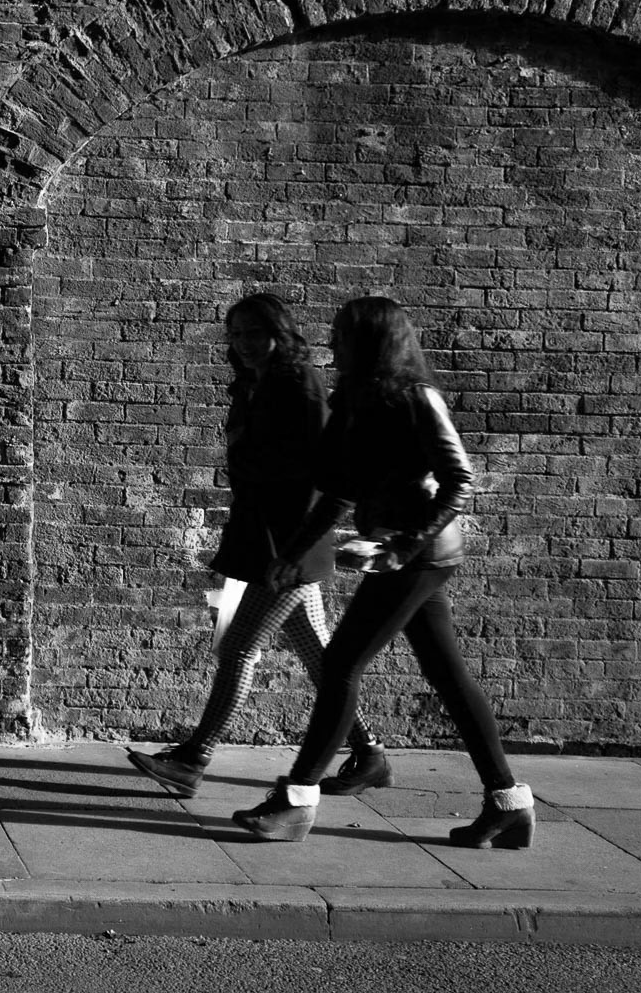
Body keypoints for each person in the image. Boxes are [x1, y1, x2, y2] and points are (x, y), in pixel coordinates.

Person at [232, 296, 534, 847]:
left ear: (374, 341)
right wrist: (292, 553)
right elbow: (339, 489)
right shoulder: (354, 397)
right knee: (447, 676)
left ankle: (298, 799)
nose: (332, 343)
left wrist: (401, 545)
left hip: (421, 555)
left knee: (342, 664)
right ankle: (508, 803)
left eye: (343, 334)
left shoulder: (418, 399)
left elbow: (458, 481)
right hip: (395, 552)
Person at [128, 293, 389, 799]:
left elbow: (327, 472)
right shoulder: (253, 385)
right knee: (319, 654)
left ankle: (194, 757)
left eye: (254, 333)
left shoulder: (299, 384)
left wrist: (292, 551)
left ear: (280, 333)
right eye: (237, 335)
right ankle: (369, 752)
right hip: (262, 537)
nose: (244, 344)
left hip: (290, 545)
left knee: (240, 645)